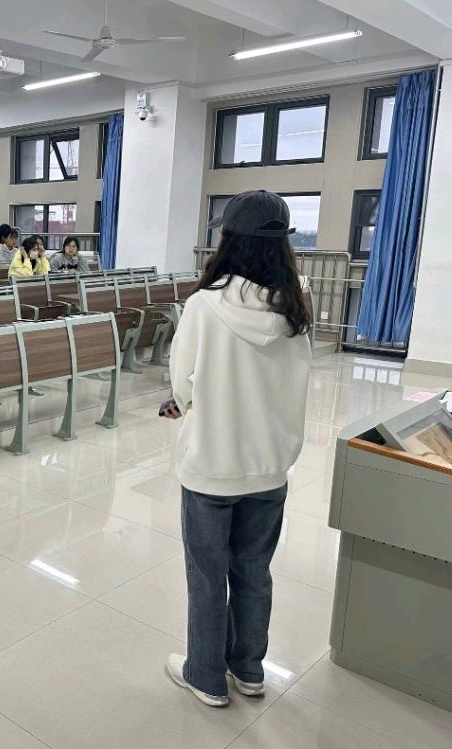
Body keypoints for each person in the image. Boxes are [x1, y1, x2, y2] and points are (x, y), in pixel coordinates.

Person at [162, 190, 312, 708]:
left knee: (207, 577)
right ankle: (248, 669)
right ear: (282, 245)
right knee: (253, 572)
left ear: (228, 240)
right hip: (269, 467)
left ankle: (205, 676)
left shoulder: (204, 305)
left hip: (212, 464)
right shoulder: (294, 307)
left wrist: (198, 399)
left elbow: (182, 385)